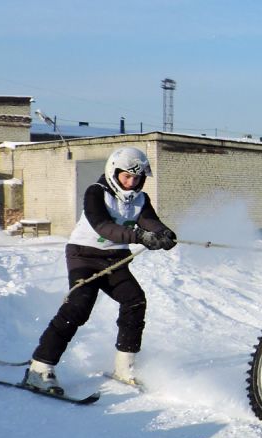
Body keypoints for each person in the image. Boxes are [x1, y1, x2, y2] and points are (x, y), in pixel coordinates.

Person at [25, 147, 177, 394]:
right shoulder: (96, 193)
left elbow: (150, 221)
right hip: (84, 256)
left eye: (137, 178)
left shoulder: (140, 199)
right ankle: (39, 368)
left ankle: (124, 367)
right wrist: (139, 236)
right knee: (78, 307)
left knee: (135, 301)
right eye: (127, 176)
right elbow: (103, 226)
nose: (131, 182)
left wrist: (164, 234)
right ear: (113, 172)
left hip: (114, 259)